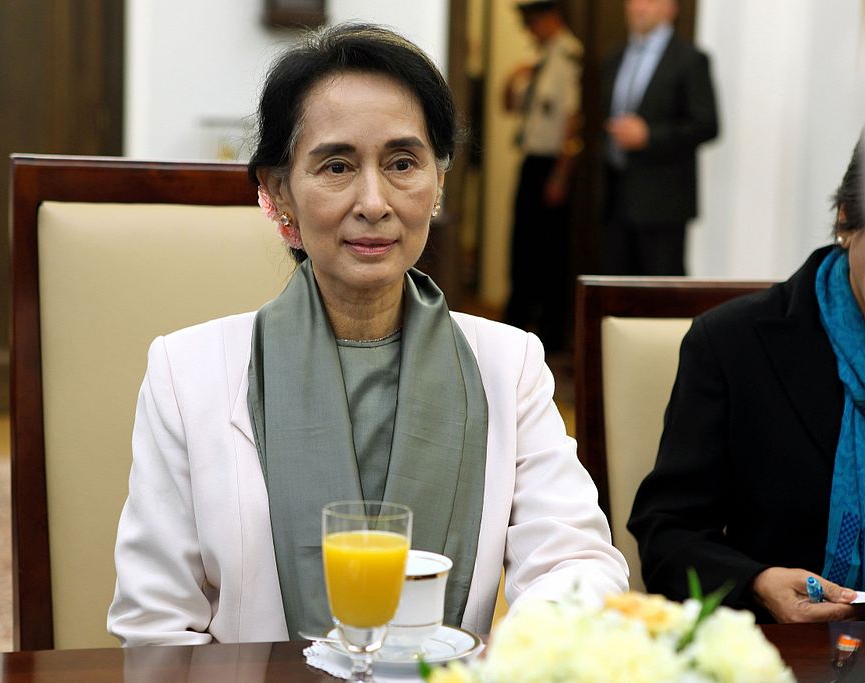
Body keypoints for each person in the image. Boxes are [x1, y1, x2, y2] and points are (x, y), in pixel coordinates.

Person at [107, 23, 628, 646]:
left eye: (403, 163)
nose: (375, 201)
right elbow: (156, 624)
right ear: (280, 192)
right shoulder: (186, 372)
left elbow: (578, 563)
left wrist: (506, 655)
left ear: (439, 181)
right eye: (337, 165)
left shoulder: (507, 364)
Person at [629, 135, 865, 623]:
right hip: (784, 655)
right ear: (846, 219)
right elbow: (667, 536)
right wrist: (756, 583)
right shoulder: (735, 345)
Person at [602, 0, 718, 275]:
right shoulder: (614, 57)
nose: (639, 7)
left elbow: (707, 125)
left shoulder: (689, 59)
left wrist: (649, 136)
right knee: (615, 292)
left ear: (671, 8)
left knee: (659, 296)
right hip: (616, 198)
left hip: (663, 203)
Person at [502, 0, 584, 352]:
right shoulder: (541, 60)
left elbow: (572, 122)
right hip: (531, 161)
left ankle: (548, 335)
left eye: (532, 22)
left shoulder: (569, 57)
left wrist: (561, 177)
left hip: (552, 167)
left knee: (548, 253)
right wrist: (513, 77)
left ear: (551, 19)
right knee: (522, 247)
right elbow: (509, 106)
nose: (528, 31)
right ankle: (516, 325)